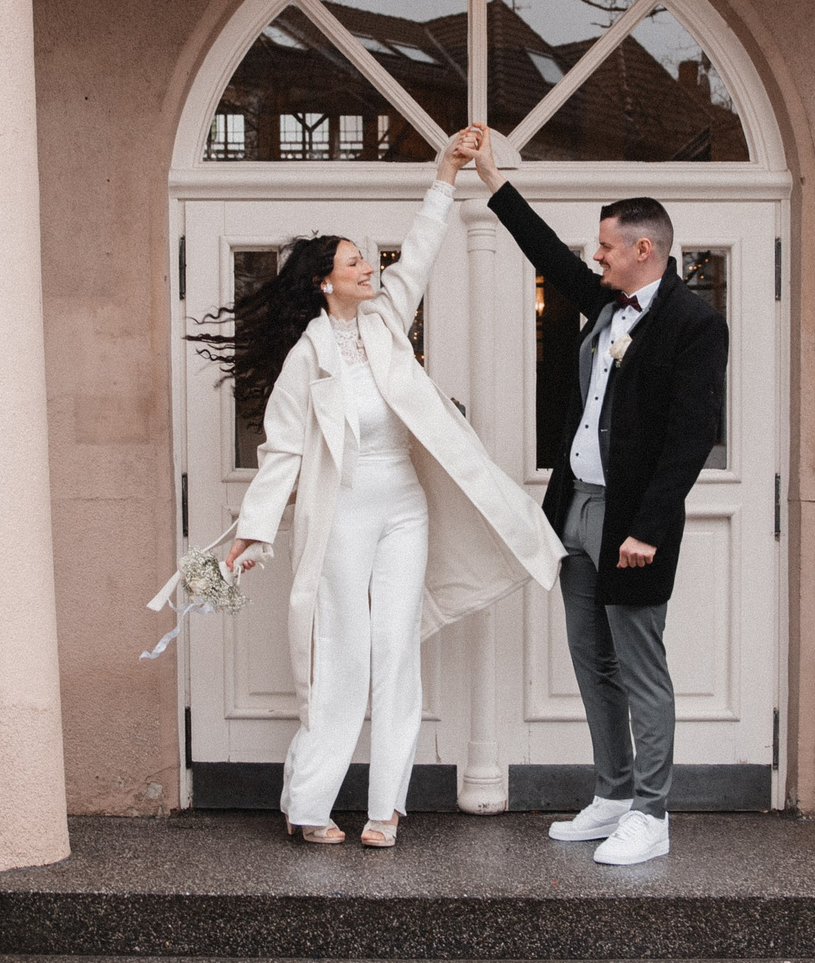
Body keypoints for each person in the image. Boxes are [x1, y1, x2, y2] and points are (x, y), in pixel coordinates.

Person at [184, 127, 561, 847]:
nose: (370, 269)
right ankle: (309, 805)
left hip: (404, 511)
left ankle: (387, 809)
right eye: (355, 263)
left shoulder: (389, 323)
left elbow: (419, 251)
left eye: (366, 261)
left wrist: (445, 176)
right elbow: (283, 451)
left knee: (395, 652)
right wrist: (253, 530)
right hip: (344, 518)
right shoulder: (308, 358)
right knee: (342, 655)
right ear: (325, 280)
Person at [473, 129, 727, 866]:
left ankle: (653, 812)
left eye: (608, 248)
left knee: (641, 666)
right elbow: (548, 254)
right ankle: (613, 794)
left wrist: (648, 526)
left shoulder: (694, 324)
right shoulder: (606, 306)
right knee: (592, 661)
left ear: (644, 250)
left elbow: (690, 436)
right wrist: (494, 183)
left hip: (633, 526)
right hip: (577, 512)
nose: (597, 258)